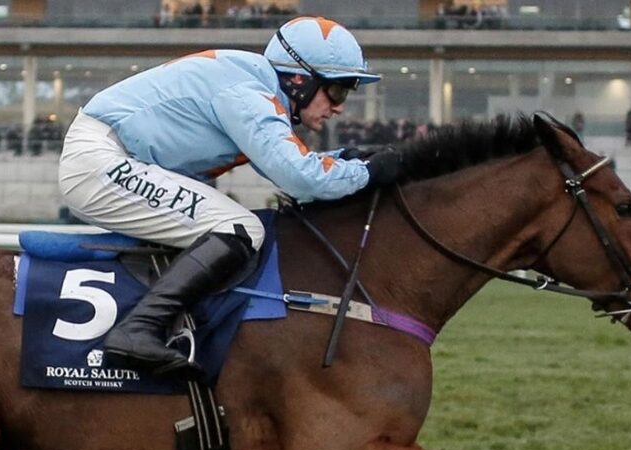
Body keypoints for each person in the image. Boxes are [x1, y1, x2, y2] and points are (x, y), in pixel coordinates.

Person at [58, 16, 400, 377]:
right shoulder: (249, 93)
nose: (340, 106)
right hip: (101, 161)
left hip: (110, 156)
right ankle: (135, 331)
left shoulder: (254, 84)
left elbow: (287, 162)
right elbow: (299, 178)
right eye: (337, 91)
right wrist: (369, 172)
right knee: (241, 228)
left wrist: (347, 159)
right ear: (300, 80)